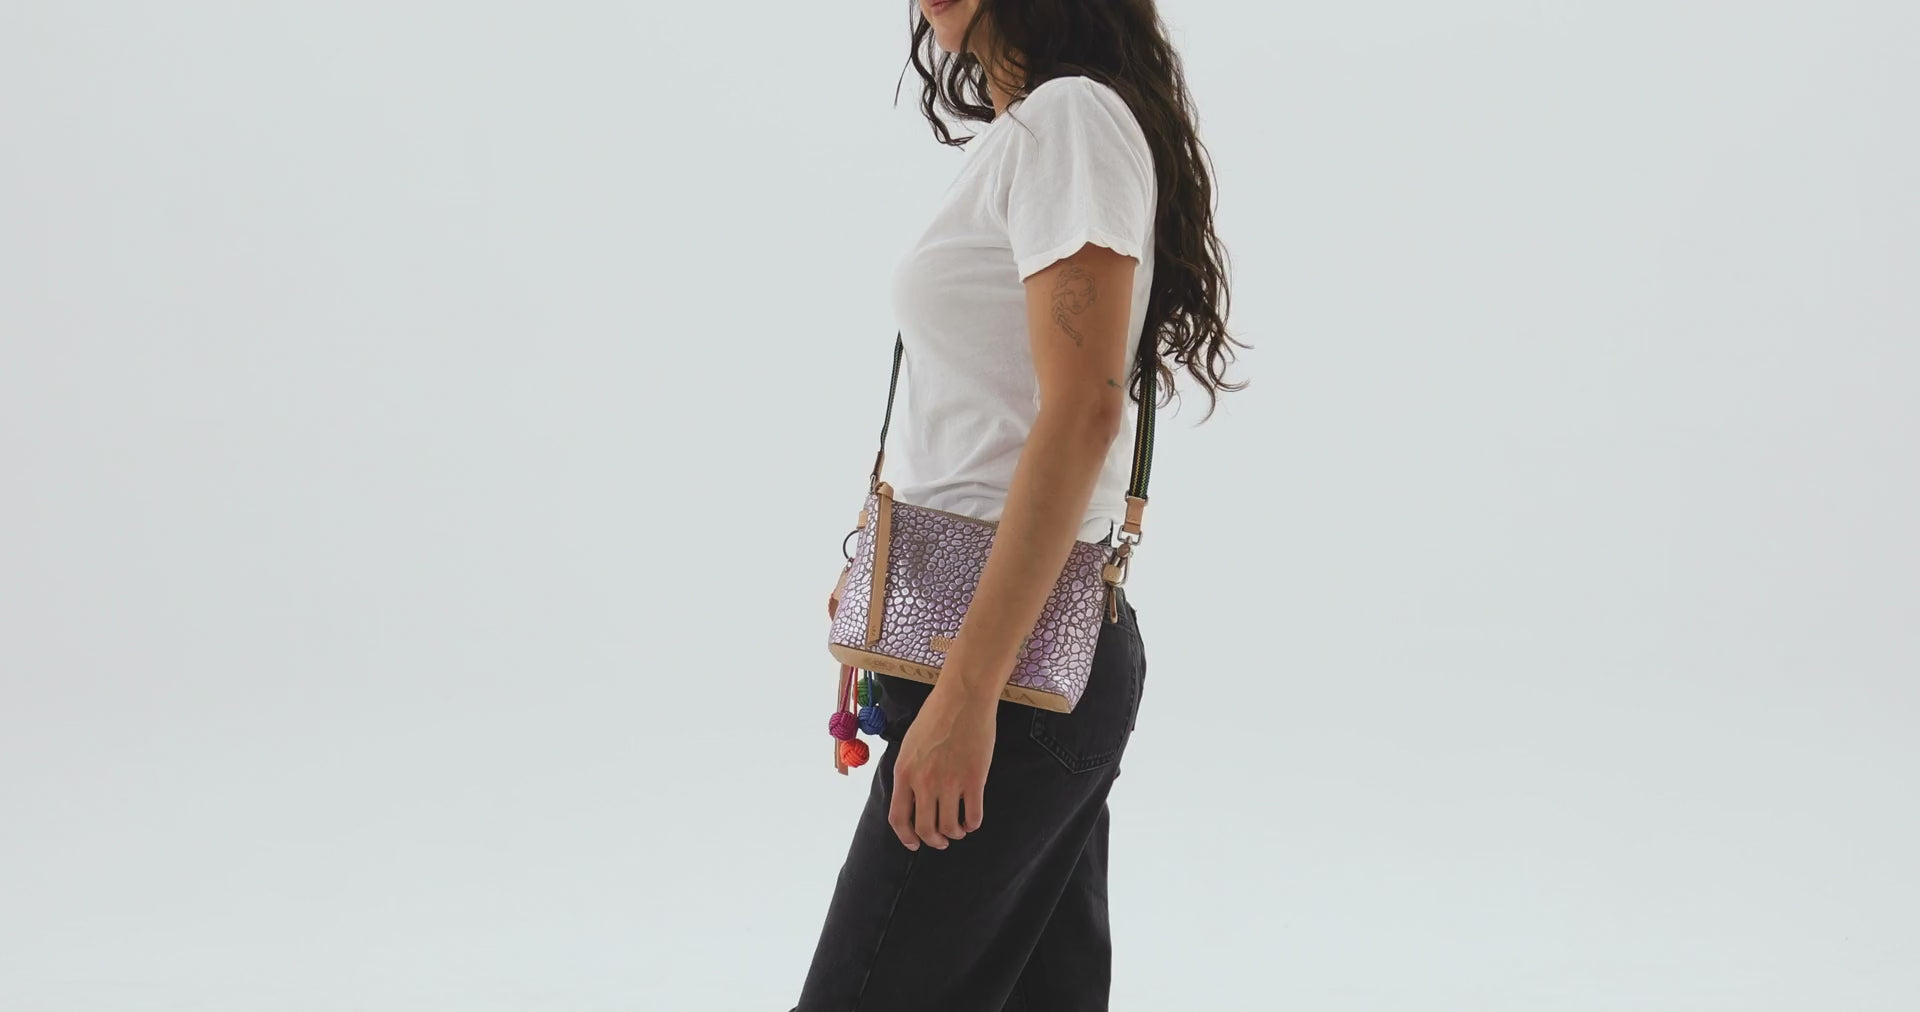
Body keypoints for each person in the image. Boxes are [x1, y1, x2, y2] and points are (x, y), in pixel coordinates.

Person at [794, 2, 1242, 1009]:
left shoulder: (1071, 121)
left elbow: (1082, 411)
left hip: (1009, 675)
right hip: (1008, 660)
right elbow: (989, 415)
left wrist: (965, 695)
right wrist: (895, 564)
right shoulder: (1033, 133)